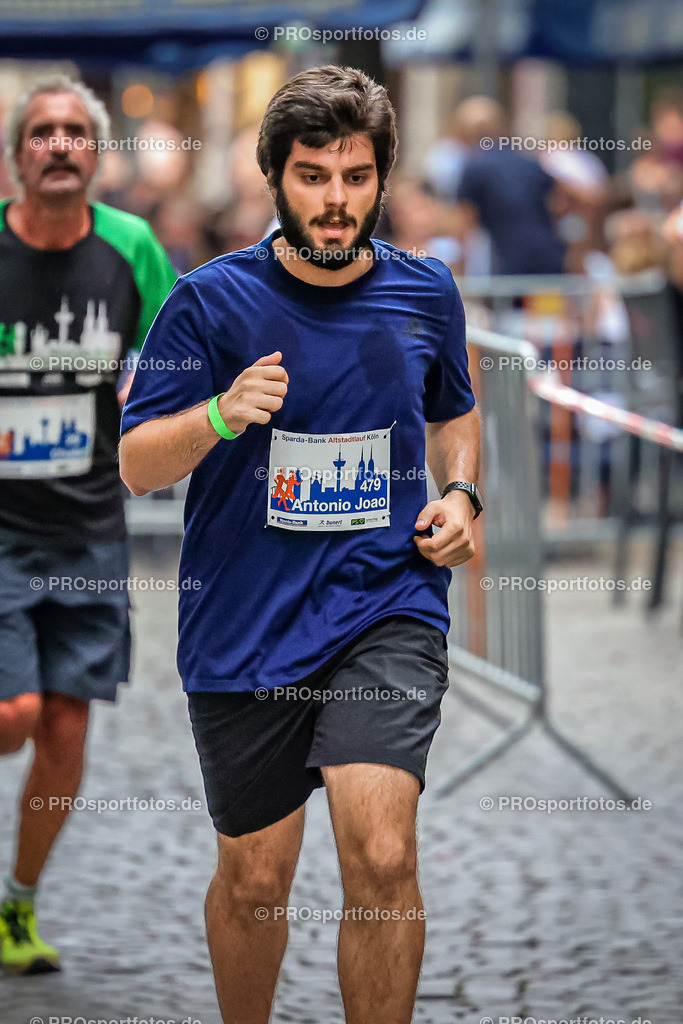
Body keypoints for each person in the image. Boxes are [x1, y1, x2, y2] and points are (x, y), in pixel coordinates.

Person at [119, 65, 482, 1024]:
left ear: (381, 178)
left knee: (382, 853)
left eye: (355, 177)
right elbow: (138, 465)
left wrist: (461, 493)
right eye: (314, 176)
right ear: (274, 177)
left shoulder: (424, 292)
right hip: (246, 622)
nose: (335, 201)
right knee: (255, 880)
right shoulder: (205, 303)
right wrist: (220, 413)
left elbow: (455, 412)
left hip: (384, 605)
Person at [0, 74, 176, 974]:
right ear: (17, 154)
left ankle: (17, 908)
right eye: (42, 132)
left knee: (65, 726)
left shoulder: (132, 248)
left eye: (75, 131)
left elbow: (188, 347)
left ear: (96, 155)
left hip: (91, 527)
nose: (59, 144)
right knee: (14, 712)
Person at [452, 95, 566, 275]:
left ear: (464, 132)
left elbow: (464, 226)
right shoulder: (528, 161)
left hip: (508, 269)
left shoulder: (474, 167)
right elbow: (561, 202)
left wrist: (458, 279)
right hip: (550, 261)